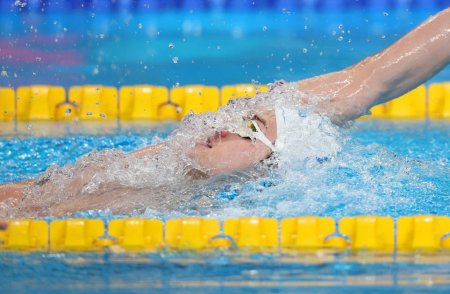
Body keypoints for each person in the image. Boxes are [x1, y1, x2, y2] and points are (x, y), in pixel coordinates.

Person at [0, 7, 449, 213]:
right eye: (241, 116)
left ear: (267, 166)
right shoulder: (156, 164)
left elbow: (377, 79)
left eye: (250, 128)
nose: (222, 125)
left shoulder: (162, 200)